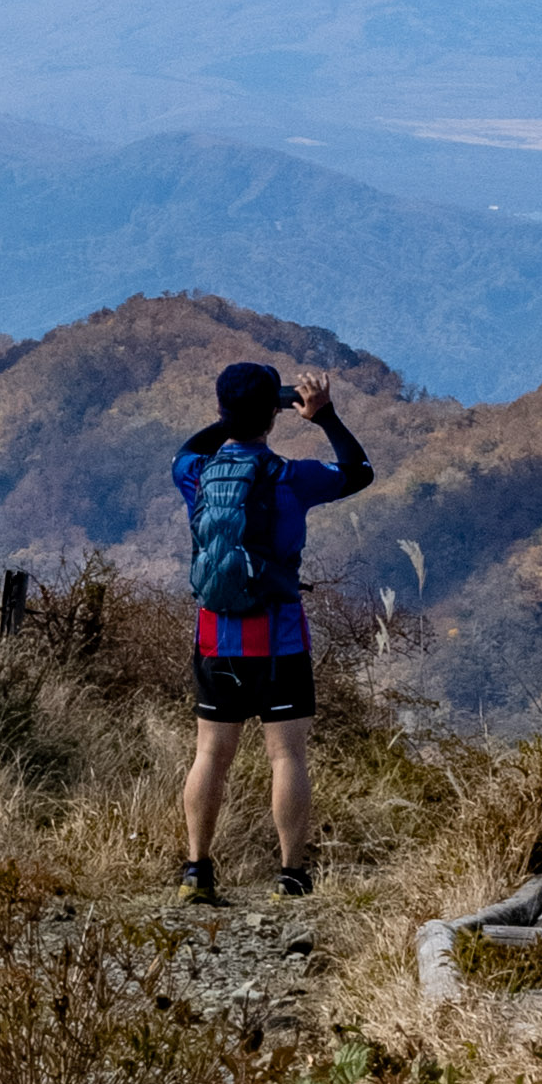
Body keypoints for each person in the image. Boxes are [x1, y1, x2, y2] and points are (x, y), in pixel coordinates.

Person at [174, 355, 370, 898]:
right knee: (287, 756)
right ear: (273, 414)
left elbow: (186, 449)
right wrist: (323, 416)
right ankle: (290, 875)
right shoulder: (293, 478)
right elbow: (359, 470)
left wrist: (233, 415)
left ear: (221, 410)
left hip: (215, 637)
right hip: (280, 639)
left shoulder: (194, 474)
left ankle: (197, 869)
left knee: (210, 755)